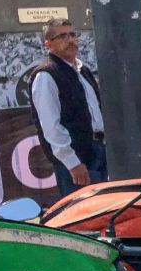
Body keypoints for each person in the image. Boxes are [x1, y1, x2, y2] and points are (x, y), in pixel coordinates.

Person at [29, 18, 106, 198]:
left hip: (98, 151)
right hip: (76, 159)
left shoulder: (83, 71)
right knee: (83, 217)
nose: (70, 40)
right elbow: (50, 126)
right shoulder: (46, 75)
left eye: (72, 34)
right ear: (48, 44)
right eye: (62, 36)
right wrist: (72, 163)